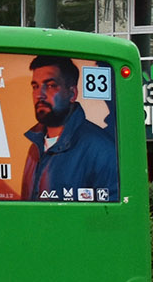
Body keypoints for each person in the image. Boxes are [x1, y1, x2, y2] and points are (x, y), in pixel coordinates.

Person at [20, 55, 119, 202]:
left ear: (72, 93)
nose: (39, 95)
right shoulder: (35, 148)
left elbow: (111, 216)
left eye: (51, 85)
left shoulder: (101, 149)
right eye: (35, 86)